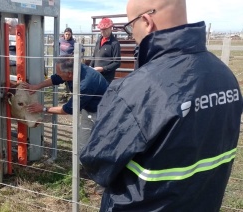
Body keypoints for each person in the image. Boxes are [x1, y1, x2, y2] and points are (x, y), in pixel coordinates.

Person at [80, 0, 243, 211]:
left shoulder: (137, 90)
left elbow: (97, 162)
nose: (132, 35)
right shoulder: (226, 77)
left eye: (131, 27)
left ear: (146, 21)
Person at [23, 55, 108, 151]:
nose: (57, 75)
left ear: (69, 74)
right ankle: (84, 163)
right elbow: (56, 78)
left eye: (59, 74)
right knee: (83, 141)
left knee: (103, 142)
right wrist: (36, 86)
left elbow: (68, 109)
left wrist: (43, 109)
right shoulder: (75, 69)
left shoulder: (86, 84)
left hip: (103, 113)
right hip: (89, 109)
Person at [89, 18, 121, 84]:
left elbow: (117, 63)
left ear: (110, 28)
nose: (102, 31)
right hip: (96, 75)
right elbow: (94, 56)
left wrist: (103, 69)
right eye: (101, 29)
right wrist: (90, 67)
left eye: (104, 29)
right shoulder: (99, 40)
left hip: (106, 78)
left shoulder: (114, 43)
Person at [58, 27, 85, 102]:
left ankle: (70, 95)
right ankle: (64, 96)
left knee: (69, 80)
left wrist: (74, 53)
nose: (67, 36)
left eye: (69, 34)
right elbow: (56, 45)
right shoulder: (60, 40)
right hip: (61, 62)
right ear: (64, 34)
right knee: (62, 79)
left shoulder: (73, 42)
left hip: (69, 63)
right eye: (66, 34)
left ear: (71, 35)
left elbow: (82, 48)